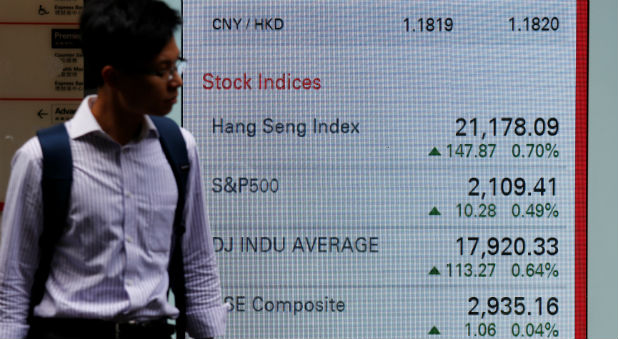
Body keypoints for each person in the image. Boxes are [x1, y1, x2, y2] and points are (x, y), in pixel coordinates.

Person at [0, 1, 228, 338]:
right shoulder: (42, 159)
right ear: (113, 77)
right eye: (161, 70)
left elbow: (198, 264)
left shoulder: (179, 149)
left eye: (176, 65)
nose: (176, 81)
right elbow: (12, 283)